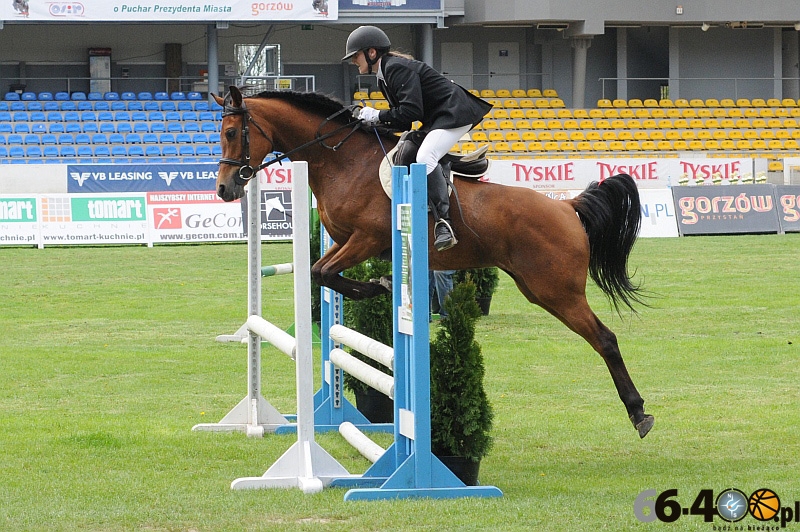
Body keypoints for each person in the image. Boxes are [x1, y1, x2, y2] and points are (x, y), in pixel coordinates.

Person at [343, 25, 492, 252]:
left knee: (424, 156)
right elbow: (404, 122)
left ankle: (444, 223)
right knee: (407, 145)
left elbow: (410, 112)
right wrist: (372, 121)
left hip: (454, 112)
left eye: (356, 55)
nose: (354, 60)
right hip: (438, 117)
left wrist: (377, 115)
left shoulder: (395, 68)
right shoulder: (385, 75)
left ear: (371, 53)